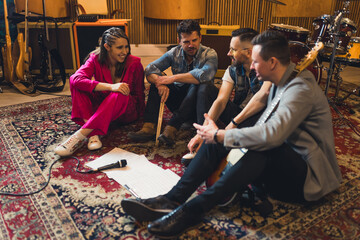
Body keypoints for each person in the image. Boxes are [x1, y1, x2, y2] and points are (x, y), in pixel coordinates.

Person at [121, 30, 342, 239]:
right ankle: (172, 199)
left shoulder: (299, 89)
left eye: (256, 61)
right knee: (219, 135)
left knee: (253, 145)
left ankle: (193, 210)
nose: (252, 66)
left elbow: (272, 136)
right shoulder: (279, 79)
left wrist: (222, 136)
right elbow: (259, 111)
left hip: (307, 180)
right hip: (280, 166)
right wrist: (218, 135)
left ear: (272, 62)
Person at [182, 28, 272, 165]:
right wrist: (201, 133)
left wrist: (232, 125)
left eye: (233, 50)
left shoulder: (267, 68)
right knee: (206, 88)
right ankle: (205, 139)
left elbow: (262, 97)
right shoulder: (232, 70)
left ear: (249, 52)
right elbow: (221, 101)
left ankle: (216, 149)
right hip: (238, 115)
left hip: (259, 120)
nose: (228, 53)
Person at [55, 27, 145, 157]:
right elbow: (74, 79)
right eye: (120, 48)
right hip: (104, 106)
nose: (125, 51)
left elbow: (139, 93)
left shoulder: (134, 63)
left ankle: (79, 136)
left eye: (126, 47)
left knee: (122, 91)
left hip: (126, 109)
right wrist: (110, 87)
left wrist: (143, 117)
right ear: (107, 47)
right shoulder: (95, 59)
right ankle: (93, 135)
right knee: (78, 85)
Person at [128, 19, 218, 146]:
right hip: (180, 104)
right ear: (179, 41)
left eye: (194, 40)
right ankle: (149, 127)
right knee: (158, 81)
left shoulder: (210, 53)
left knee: (199, 84)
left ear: (200, 38)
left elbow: (204, 75)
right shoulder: (173, 53)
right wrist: (160, 83)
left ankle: (172, 127)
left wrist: (173, 78)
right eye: (186, 42)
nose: (191, 45)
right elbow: (149, 69)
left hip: (200, 106)